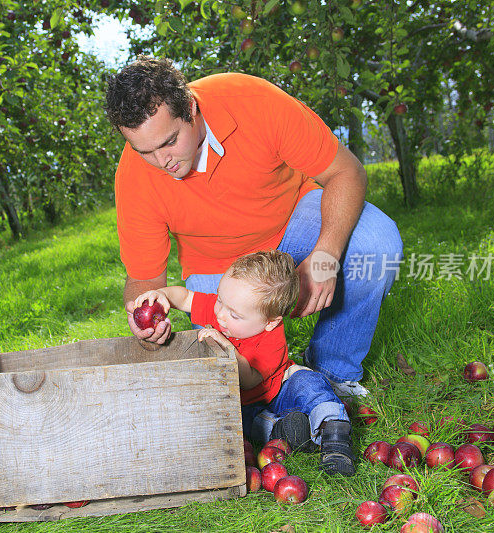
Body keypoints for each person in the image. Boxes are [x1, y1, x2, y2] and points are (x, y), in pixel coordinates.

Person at [105, 56, 403, 399]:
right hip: (217, 267)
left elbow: (347, 172)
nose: (162, 162)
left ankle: (332, 372)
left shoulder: (252, 101)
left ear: (191, 107)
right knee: (233, 370)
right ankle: (270, 397)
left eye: (169, 141)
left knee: (376, 244)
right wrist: (142, 315)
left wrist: (325, 255)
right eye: (145, 151)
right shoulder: (134, 177)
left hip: (292, 220)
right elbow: (144, 279)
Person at [134, 250, 355, 475]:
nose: (220, 315)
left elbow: (249, 380)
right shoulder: (225, 309)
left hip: (279, 389)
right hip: (245, 403)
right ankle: (286, 431)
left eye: (235, 315)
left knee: (309, 383)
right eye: (220, 300)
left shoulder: (272, 339)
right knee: (248, 424)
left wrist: (227, 348)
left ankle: (333, 431)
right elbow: (185, 297)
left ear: (270, 322)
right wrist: (162, 295)